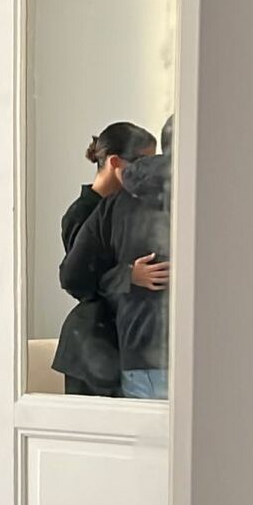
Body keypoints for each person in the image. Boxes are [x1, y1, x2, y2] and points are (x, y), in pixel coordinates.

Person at [60, 115, 174, 399]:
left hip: (121, 343)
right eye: (143, 161)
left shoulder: (121, 205)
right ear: (115, 163)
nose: (147, 171)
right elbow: (79, 280)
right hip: (93, 342)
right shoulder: (87, 212)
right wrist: (129, 275)